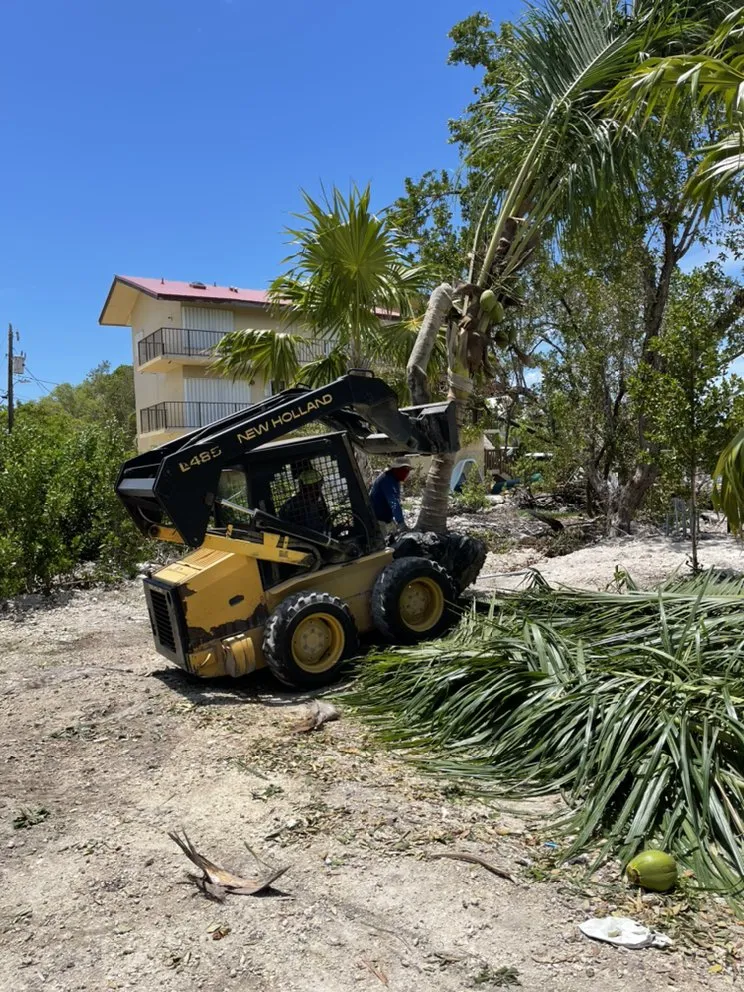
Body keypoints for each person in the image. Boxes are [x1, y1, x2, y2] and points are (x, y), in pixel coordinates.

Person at [278, 467, 331, 534]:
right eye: (318, 487)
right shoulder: (298, 507)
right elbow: (315, 533)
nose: (319, 491)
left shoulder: (290, 504)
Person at [369, 457, 413, 532]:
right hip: (377, 521)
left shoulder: (395, 479)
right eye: (404, 470)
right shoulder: (387, 480)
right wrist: (401, 523)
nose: (407, 473)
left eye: (408, 470)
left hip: (386, 518)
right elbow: (394, 503)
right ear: (396, 469)